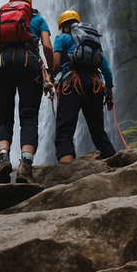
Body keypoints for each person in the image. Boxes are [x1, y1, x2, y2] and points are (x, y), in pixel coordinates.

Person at [0, 0, 53, 184]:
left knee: (3, 117)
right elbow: (47, 46)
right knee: (29, 115)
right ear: (29, 5)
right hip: (28, 62)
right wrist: (51, 71)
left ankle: (4, 158)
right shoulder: (37, 20)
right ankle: (26, 165)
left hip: (1, 63)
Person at [53, 10, 116, 162]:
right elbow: (106, 68)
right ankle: (114, 163)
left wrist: (50, 78)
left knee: (65, 131)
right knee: (98, 132)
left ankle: (66, 172)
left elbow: (55, 64)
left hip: (71, 85)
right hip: (94, 86)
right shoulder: (92, 41)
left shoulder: (61, 39)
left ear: (61, 27)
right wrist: (109, 92)